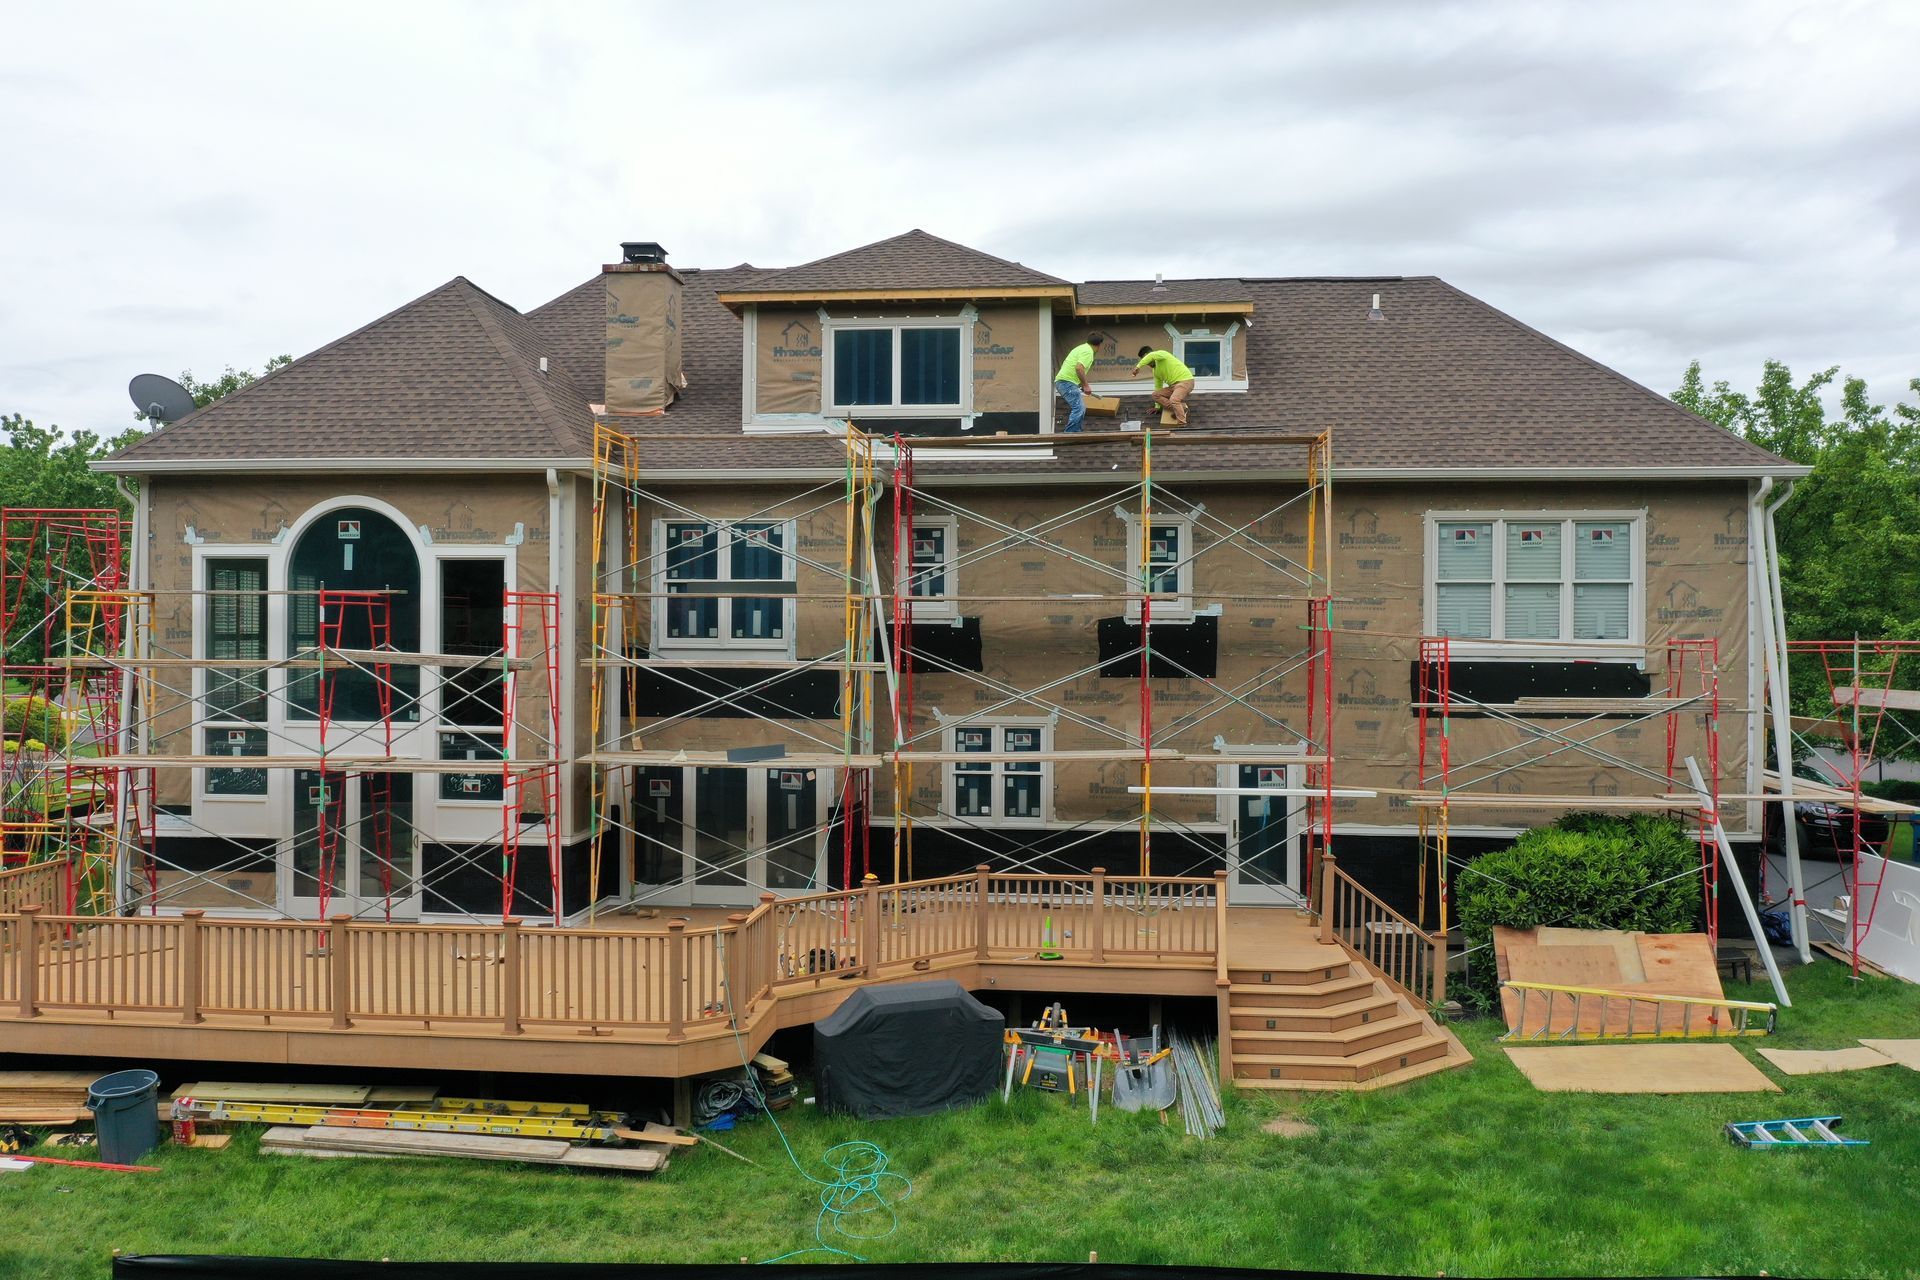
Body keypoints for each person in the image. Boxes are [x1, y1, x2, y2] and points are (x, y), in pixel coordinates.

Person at [1053, 331, 1107, 433]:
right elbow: (1079, 368)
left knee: (1079, 407)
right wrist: (1085, 385)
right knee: (1079, 408)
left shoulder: (1081, 348)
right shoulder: (1088, 352)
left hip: (1064, 381)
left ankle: (1074, 432)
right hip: (1066, 382)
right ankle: (1071, 433)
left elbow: (1073, 368)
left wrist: (1081, 385)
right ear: (1099, 344)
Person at [1134, 347, 1195, 425]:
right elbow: (1158, 387)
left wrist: (1138, 367)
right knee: (1155, 395)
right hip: (1173, 386)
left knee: (1174, 399)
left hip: (1185, 381)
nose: (1147, 364)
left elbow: (1151, 355)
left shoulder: (1162, 355)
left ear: (1147, 356)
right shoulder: (1155, 371)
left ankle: (1182, 424)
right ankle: (1181, 408)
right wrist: (1157, 407)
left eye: (1146, 361)